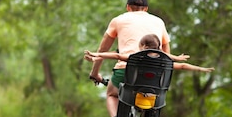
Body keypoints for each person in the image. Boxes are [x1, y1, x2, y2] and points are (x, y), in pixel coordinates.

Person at [89, 0, 170, 117]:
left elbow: (102, 52)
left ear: (127, 7)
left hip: (126, 72)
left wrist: (95, 73)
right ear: (146, 10)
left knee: (111, 93)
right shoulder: (159, 22)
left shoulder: (119, 20)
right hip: (156, 78)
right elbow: (167, 57)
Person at [85, 34, 214, 73]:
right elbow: (182, 66)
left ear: (144, 46)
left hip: (136, 86)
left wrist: (97, 54)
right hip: (154, 90)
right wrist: (201, 69)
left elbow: (117, 56)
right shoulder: (161, 60)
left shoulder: (137, 58)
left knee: (120, 93)